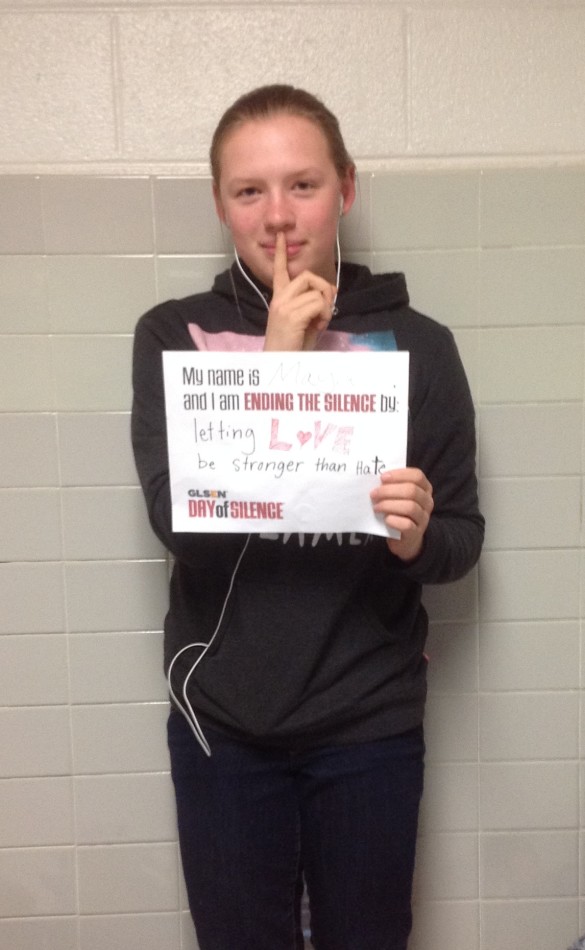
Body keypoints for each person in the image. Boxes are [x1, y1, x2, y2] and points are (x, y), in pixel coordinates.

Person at [131, 84, 484, 950]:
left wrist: (411, 536)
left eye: (303, 184)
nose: (278, 216)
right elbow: (184, 524)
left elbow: (460, 543)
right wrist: (279, 361)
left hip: (368, 718)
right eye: (250, 191)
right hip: (223, 722)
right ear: (219, 205)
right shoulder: (176, 335)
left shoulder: (418, 343)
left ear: (346, 191)